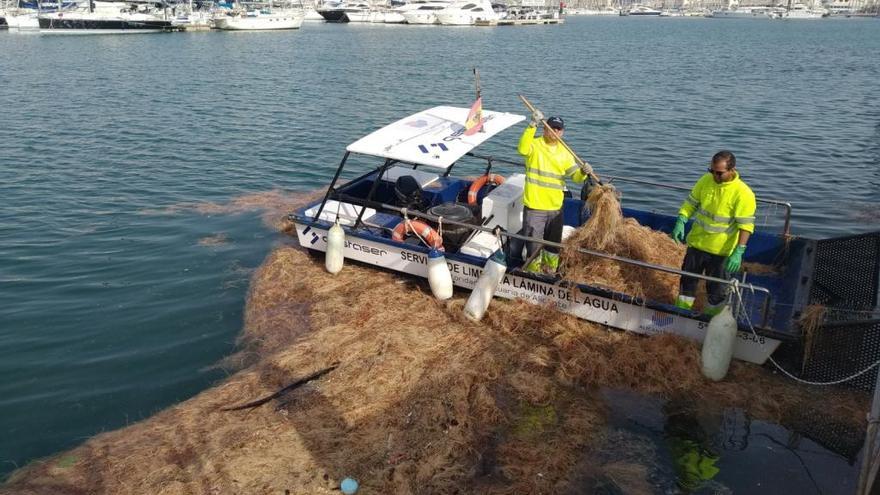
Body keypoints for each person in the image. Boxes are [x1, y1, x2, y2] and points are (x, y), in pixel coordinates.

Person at [671, 150, 756, 315]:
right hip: (697, 244)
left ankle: (711, 321)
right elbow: (691, 203)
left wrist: (739, 251)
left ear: (732, 170)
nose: (715, 176)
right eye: (711, 171)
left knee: (716, 291)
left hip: (721, 252)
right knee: (687, 283)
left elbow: (745, 226)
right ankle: (681, 314)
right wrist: (681, 219)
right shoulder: (706, 180)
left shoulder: (743, 194)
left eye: (719, 173)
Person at [509, 111, 590, 274]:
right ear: (545, 129)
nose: (555, 131)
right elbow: (522, 149)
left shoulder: (565, 152)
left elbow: (575, 177)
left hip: (555, 209)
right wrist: (532, 125)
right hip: (535, 207)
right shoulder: (535, 145)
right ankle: (532, 275)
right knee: (533, 246)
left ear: (563, 131)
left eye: (558, 129)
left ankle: (549, 273)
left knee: (552, 247)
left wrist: (584, 171)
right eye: (552, 127)